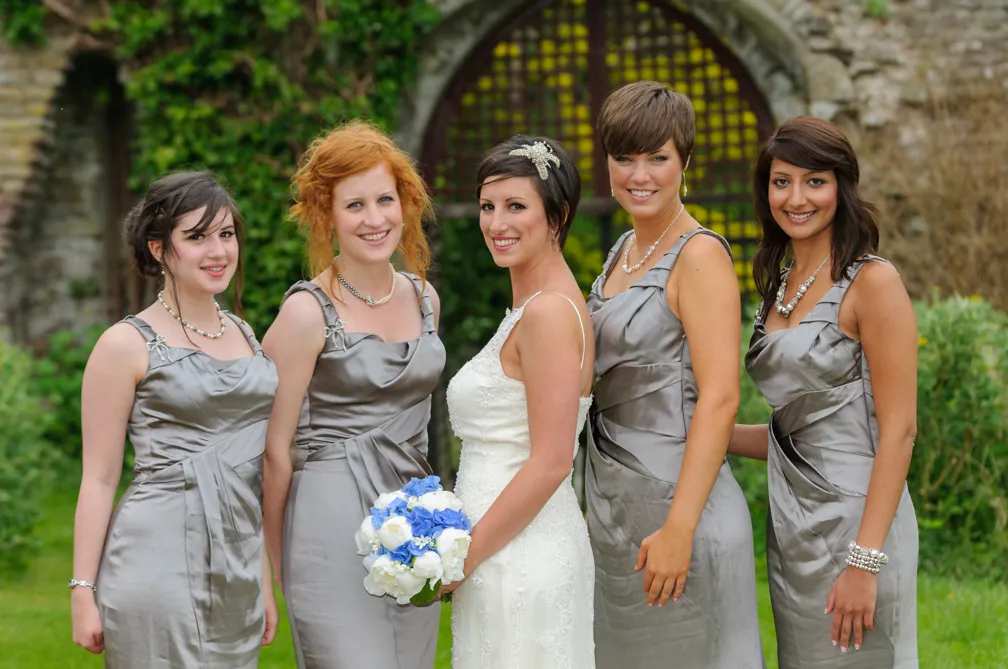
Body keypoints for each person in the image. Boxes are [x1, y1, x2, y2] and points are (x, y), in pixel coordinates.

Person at [586, 81, 763, 667]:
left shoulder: (700, 254)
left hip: (681, 516)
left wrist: (679, 529)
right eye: (624, 158)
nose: (640, 174)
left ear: (684, 162)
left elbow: (719, 398)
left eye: (657, 158)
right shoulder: (619, 253)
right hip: (616, 516)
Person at [70, 171, 279, 667]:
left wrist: (262, 577)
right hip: (155, 561)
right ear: (160, 249)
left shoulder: (246, 335)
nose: (218, 251)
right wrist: (82, 590)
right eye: (197, 237)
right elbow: (99, 478)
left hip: (237, 567)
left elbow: (251, 475)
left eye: (226, 234)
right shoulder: (125, 345)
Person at [733, 115, 919, 667]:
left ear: (842, 187)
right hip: (792, 528)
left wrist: (865, 561)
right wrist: (706, 433)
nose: (796, 197)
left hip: (861, 525)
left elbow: (900, 431)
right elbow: (799, 434)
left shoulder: (873, 282)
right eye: (782, 180)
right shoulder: (779, 286)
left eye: (815, 181)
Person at [261, 119, 444, 669]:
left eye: (385, 199)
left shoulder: (425, 297)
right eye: (354, 205)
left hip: (415, 523)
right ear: (327, 215)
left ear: (405, 202)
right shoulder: (304, 313)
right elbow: (273, 452)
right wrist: (274, 564)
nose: (374, 219)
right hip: (328, 526)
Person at [444, 135, 595, 668]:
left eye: (515, 207)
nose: (496, 223)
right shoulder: (534, 304)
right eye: (488, 206)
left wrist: (464, 556)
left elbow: (553, 459)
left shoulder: (549, 313)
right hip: (502, 547)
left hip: (518, 554)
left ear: (558, 216)